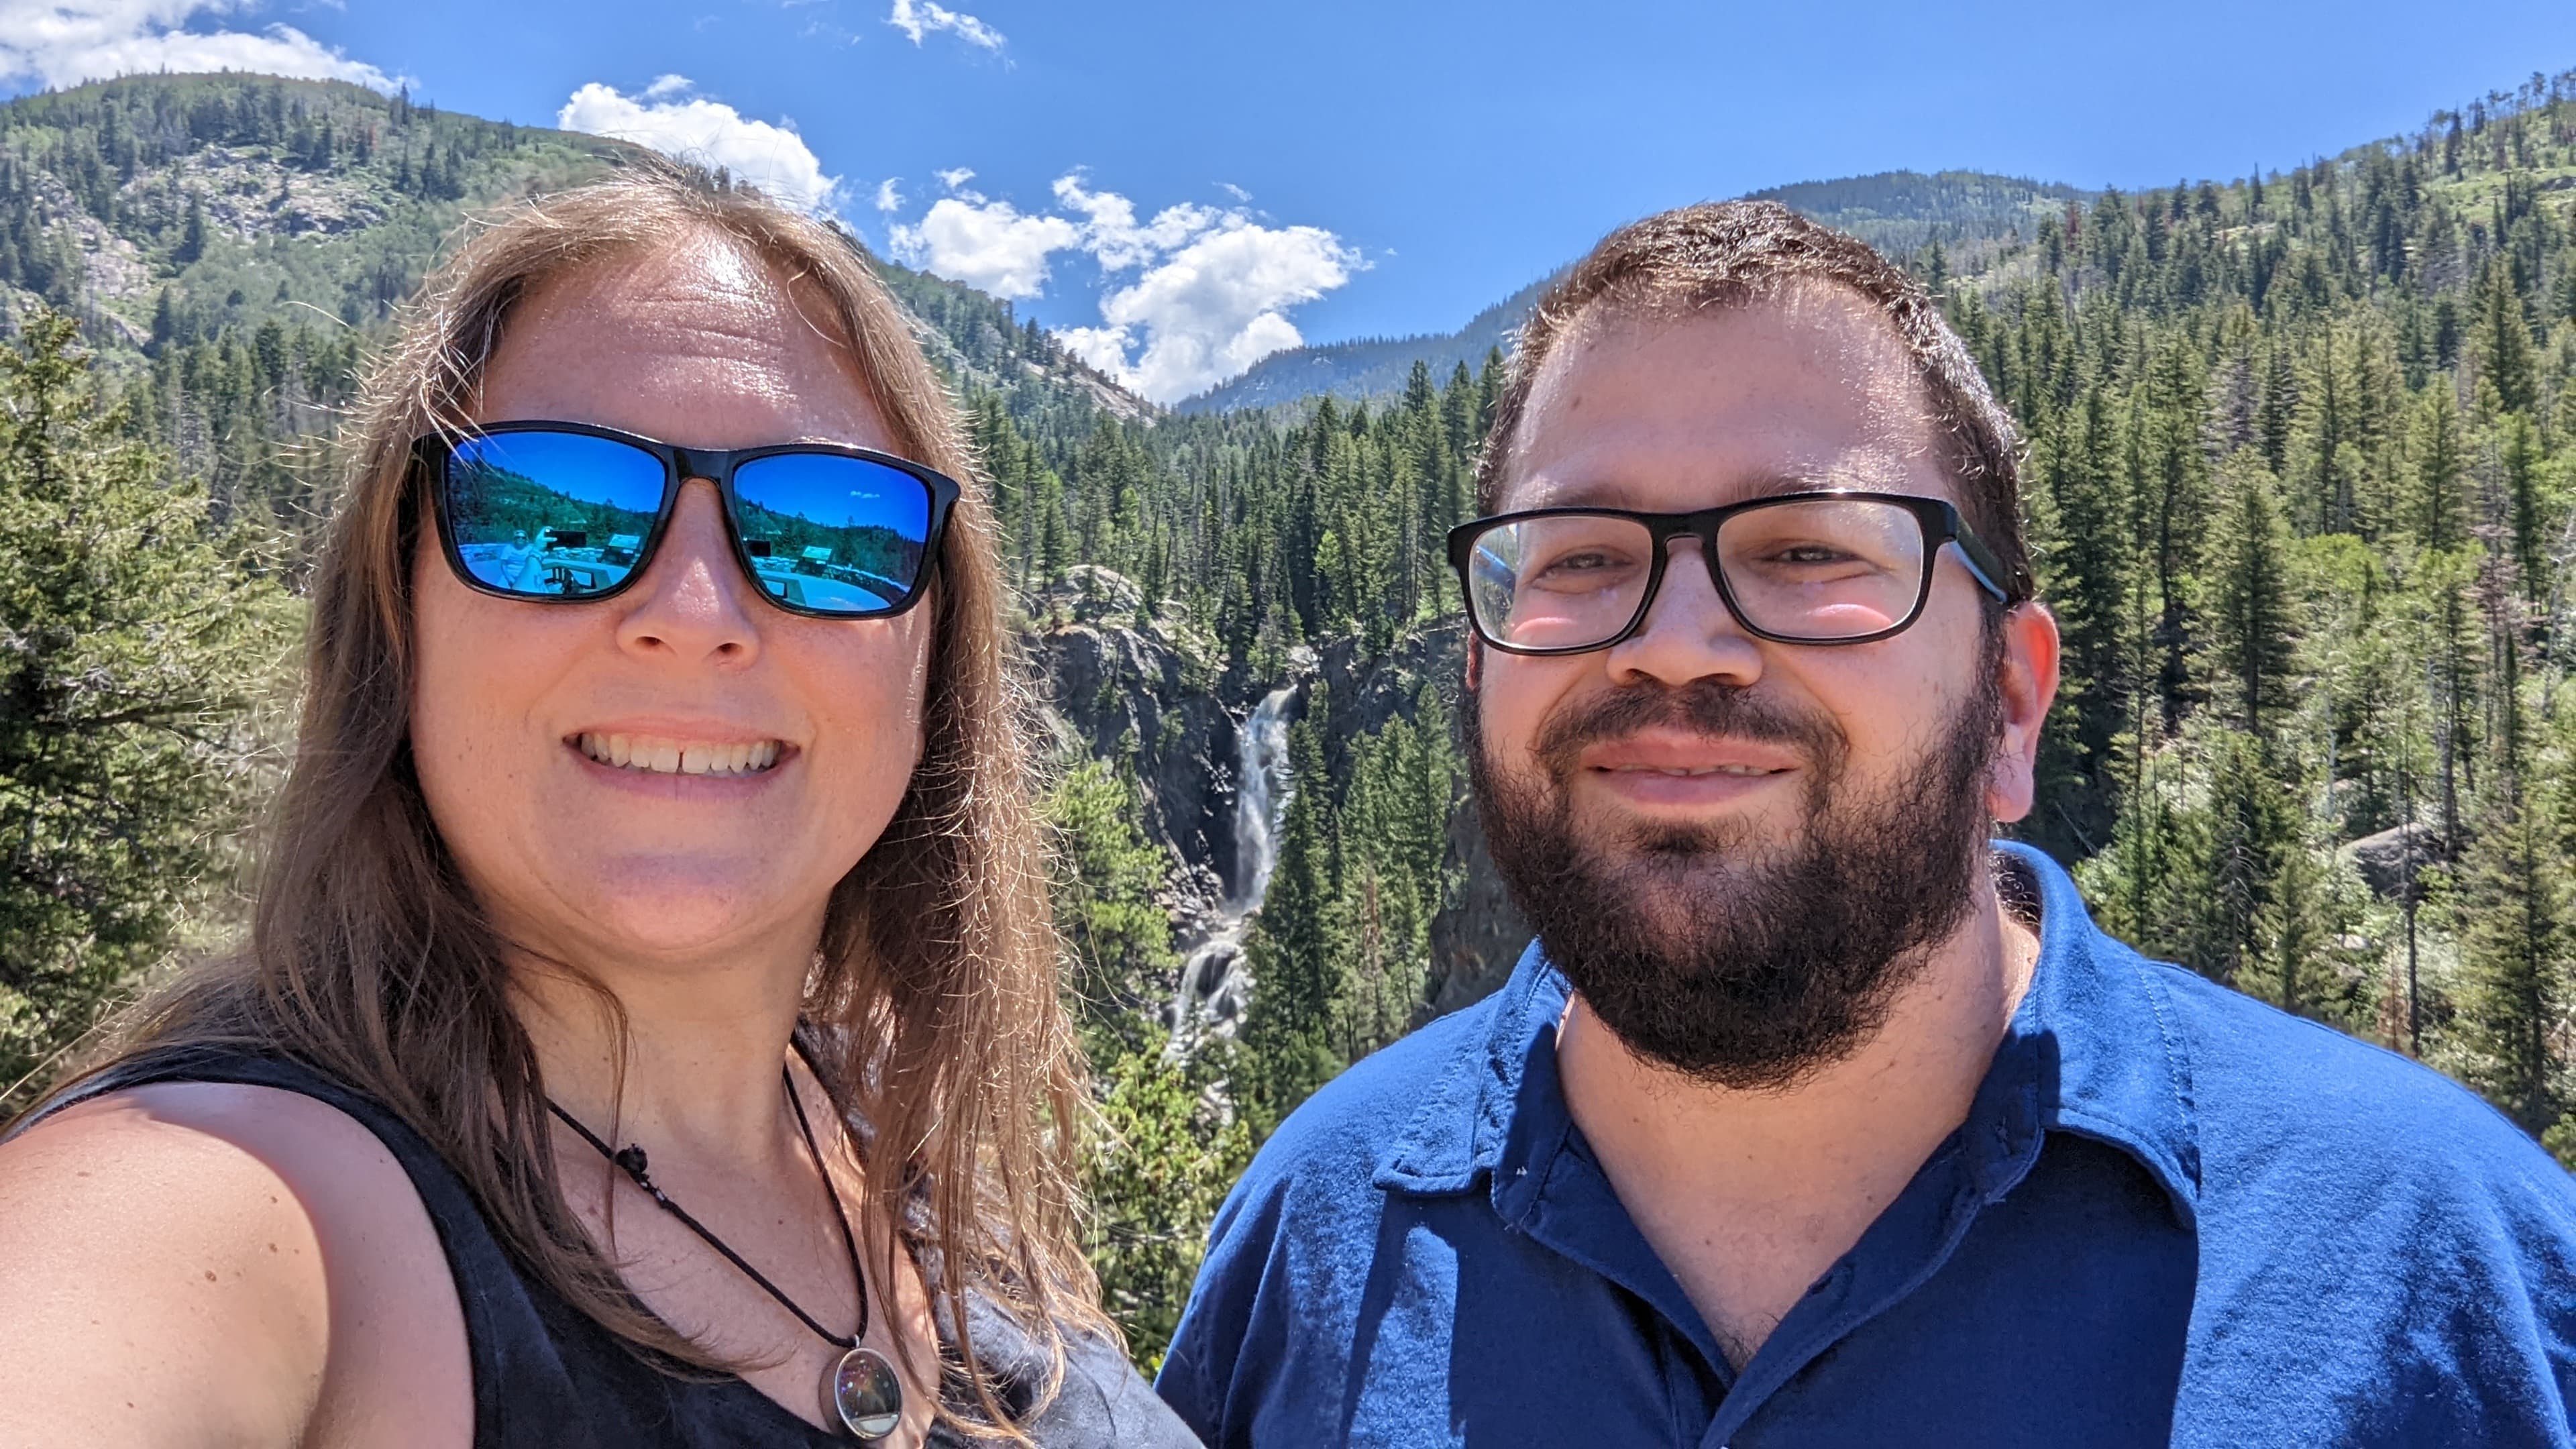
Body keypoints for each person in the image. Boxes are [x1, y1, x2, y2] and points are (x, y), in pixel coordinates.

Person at [1155, 201, 2576, 1446]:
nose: (1676, 644)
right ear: (1481, 673)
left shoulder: (2450, 1271)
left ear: (2010, 705)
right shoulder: (1315, 1235)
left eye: (1809, 549)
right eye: (1584, 556)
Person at [0, 168, 1197, 1449]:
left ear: (930, 653)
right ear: (399, 614)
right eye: (544, 506)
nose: (693, 614)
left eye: (824, 528)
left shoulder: (913, 1152)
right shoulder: (235, 1206)